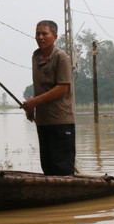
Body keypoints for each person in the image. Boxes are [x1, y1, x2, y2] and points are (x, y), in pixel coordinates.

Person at [21, 20, 75, 175]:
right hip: (43, 121)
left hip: (60, 122)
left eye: (45, 33)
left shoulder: (61, 57)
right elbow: (41, 89)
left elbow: (63, 88)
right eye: (38, 33)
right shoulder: (36, 56)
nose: (40, 37)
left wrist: (34, 101)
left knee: (63, 169)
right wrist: (31, 107)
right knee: (48, 166)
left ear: (55, 36)